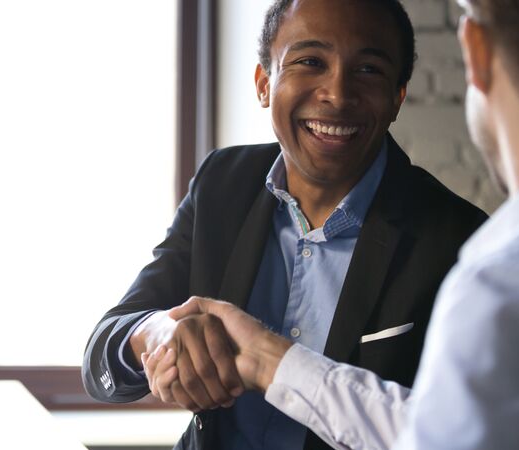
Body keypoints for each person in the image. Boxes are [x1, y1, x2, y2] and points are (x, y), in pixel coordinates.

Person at [145, 0, 519, 448]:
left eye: (367, 70)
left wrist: (269, 361)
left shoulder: (507, 280)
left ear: (475, 52)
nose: (336, 93)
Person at [81, 0, 487, 448]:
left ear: (397, 97)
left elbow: (461, 432)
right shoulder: (223, 183)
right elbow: (103, 354)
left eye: (368, 70)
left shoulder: (461, 241)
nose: (338, 94)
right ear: (263, 84)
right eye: (310, 62)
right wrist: (159, 333)